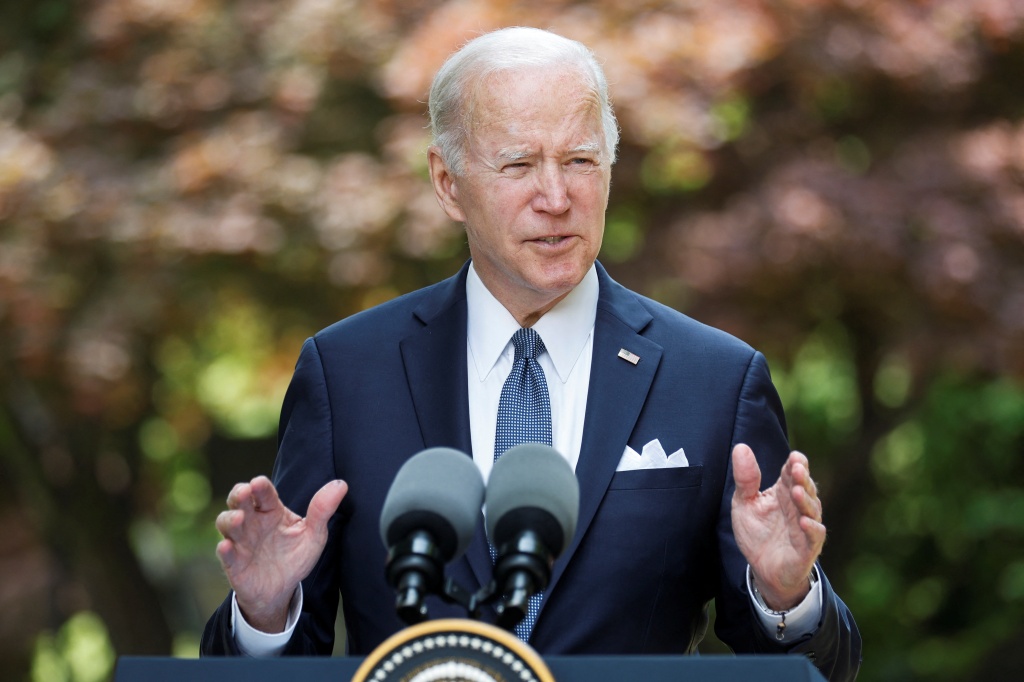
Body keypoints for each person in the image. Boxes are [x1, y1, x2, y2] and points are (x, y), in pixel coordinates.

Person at [200, 26, 861, 680]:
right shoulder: (345, 376)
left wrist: (784, 598)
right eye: (518, 164)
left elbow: (816, 672)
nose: (556, 197)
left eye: (580, 160)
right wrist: (263, 616)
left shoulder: (715, 380)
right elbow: (275, 669)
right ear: (447, 182)